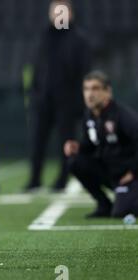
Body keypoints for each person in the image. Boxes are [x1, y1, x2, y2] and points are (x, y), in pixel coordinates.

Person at [24, 0, 91, 193]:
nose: (58, 15)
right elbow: (37, 67)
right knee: (38, 140)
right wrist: (35, 93)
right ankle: (35, 179)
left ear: (71, 14)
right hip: (43, 100)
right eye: (55, 12)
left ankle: (63, 178)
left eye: (62, 12)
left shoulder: (79, 39)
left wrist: (79, 101)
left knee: (66, 142)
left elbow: (83, 71)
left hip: (67, 101)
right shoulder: (44, 37)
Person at [64, 71, 138, 218]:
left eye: (95, 88)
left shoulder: (122, 115)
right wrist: (78, 147)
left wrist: (134, 172)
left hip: (128, 175)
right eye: (86, 89)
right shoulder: (89, 115)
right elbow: (91, 145)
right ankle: (103, 204)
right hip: (109, 171)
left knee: (121, 213)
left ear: (108, 92)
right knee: (74, 161)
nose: (89, 94)